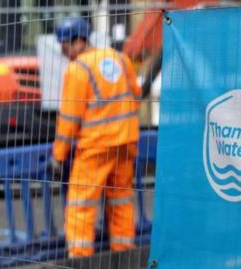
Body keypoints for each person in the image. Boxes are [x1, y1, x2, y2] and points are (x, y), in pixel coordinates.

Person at [49, 18, 142, 257]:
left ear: (79, 41)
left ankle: (80, 258)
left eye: (65, 45)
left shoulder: (78, 69)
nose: (63, 52)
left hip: (96, 148)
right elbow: (136, 93)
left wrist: (58, 156)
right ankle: (124, 254)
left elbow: (69, 119)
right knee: (121, 201)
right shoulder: (119, 58)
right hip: (125, 143)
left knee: (81, 204)